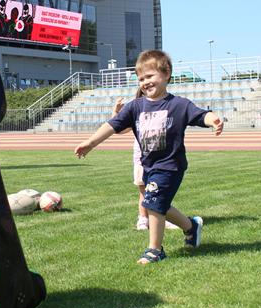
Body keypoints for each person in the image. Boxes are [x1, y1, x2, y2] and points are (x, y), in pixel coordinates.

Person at [74, 49, 223, 264]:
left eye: (150, 76)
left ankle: (155, 250)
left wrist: (213, 120)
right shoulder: (135, 107)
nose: (145, 82)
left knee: (153, 203)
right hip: (149, 166)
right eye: (141, 79)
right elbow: (112, 125)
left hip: (171, 165)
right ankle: (191, 226)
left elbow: (200, 115)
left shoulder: (178, 105)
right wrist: (90, 143)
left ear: (166, 74)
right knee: (157, 202)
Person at [111, 92, 179, 231]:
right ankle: (143, 218)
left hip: (160, 158)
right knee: (143, 190)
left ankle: (163, 218)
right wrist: (116, 111)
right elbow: (118, 129)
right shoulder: (136, 114)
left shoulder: (162, 112)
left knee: (160, 190)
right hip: (142, 158)